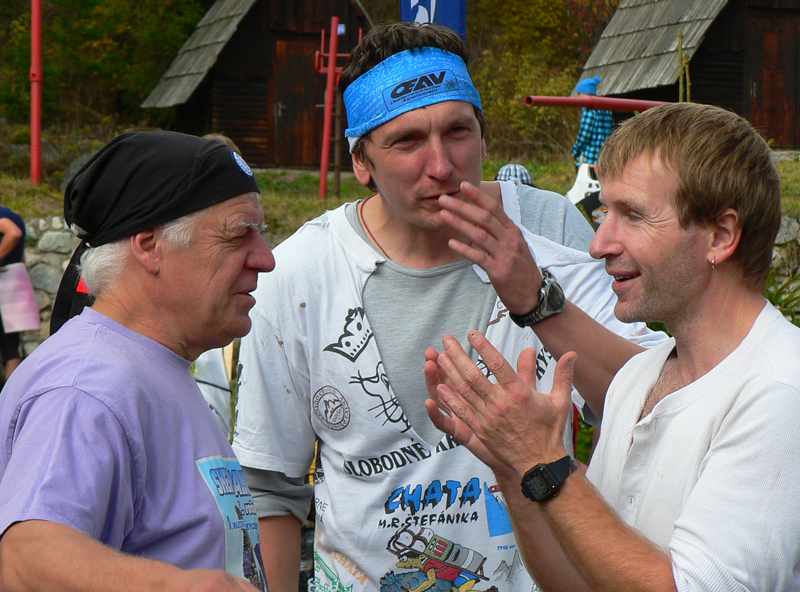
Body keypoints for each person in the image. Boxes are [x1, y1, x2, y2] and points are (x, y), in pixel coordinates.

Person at [232, 21, 666, 592]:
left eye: (458, 131)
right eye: (407, 141)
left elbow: (652, 415)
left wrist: (536, 299)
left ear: (484, 139)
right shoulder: (299, 273)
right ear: (361, 162)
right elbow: (271, 489)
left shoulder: (549, 226)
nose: (441, 165)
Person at [424, 102, 800, 591]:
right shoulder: (638, 379)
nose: (599, 244)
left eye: (633, 216)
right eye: (605, 213)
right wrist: (516, 472)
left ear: (720, 236)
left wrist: (544, 462)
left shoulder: (780, 389)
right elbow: (582, 580)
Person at [0, 131, 276, 592]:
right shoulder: (86, 386)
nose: (265, 259)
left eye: (260, 234)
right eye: (237, 235)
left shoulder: (147, 366)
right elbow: (24, 560)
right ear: (149, 245)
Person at [0, 201, 27, 378]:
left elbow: (13, 233)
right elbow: (21, 257)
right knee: (11, 348)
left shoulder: (2, 215)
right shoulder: (15, 216)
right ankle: (10, 394)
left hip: (2, 280)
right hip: (12, 282)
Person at [570, 76, 614, 167]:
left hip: (589, 159)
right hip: (604, 158)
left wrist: (575, 152)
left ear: (585, 93)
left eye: (579, 94)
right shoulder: (606, 109)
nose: (578, 97)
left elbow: (584, 136)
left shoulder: (589, 110)